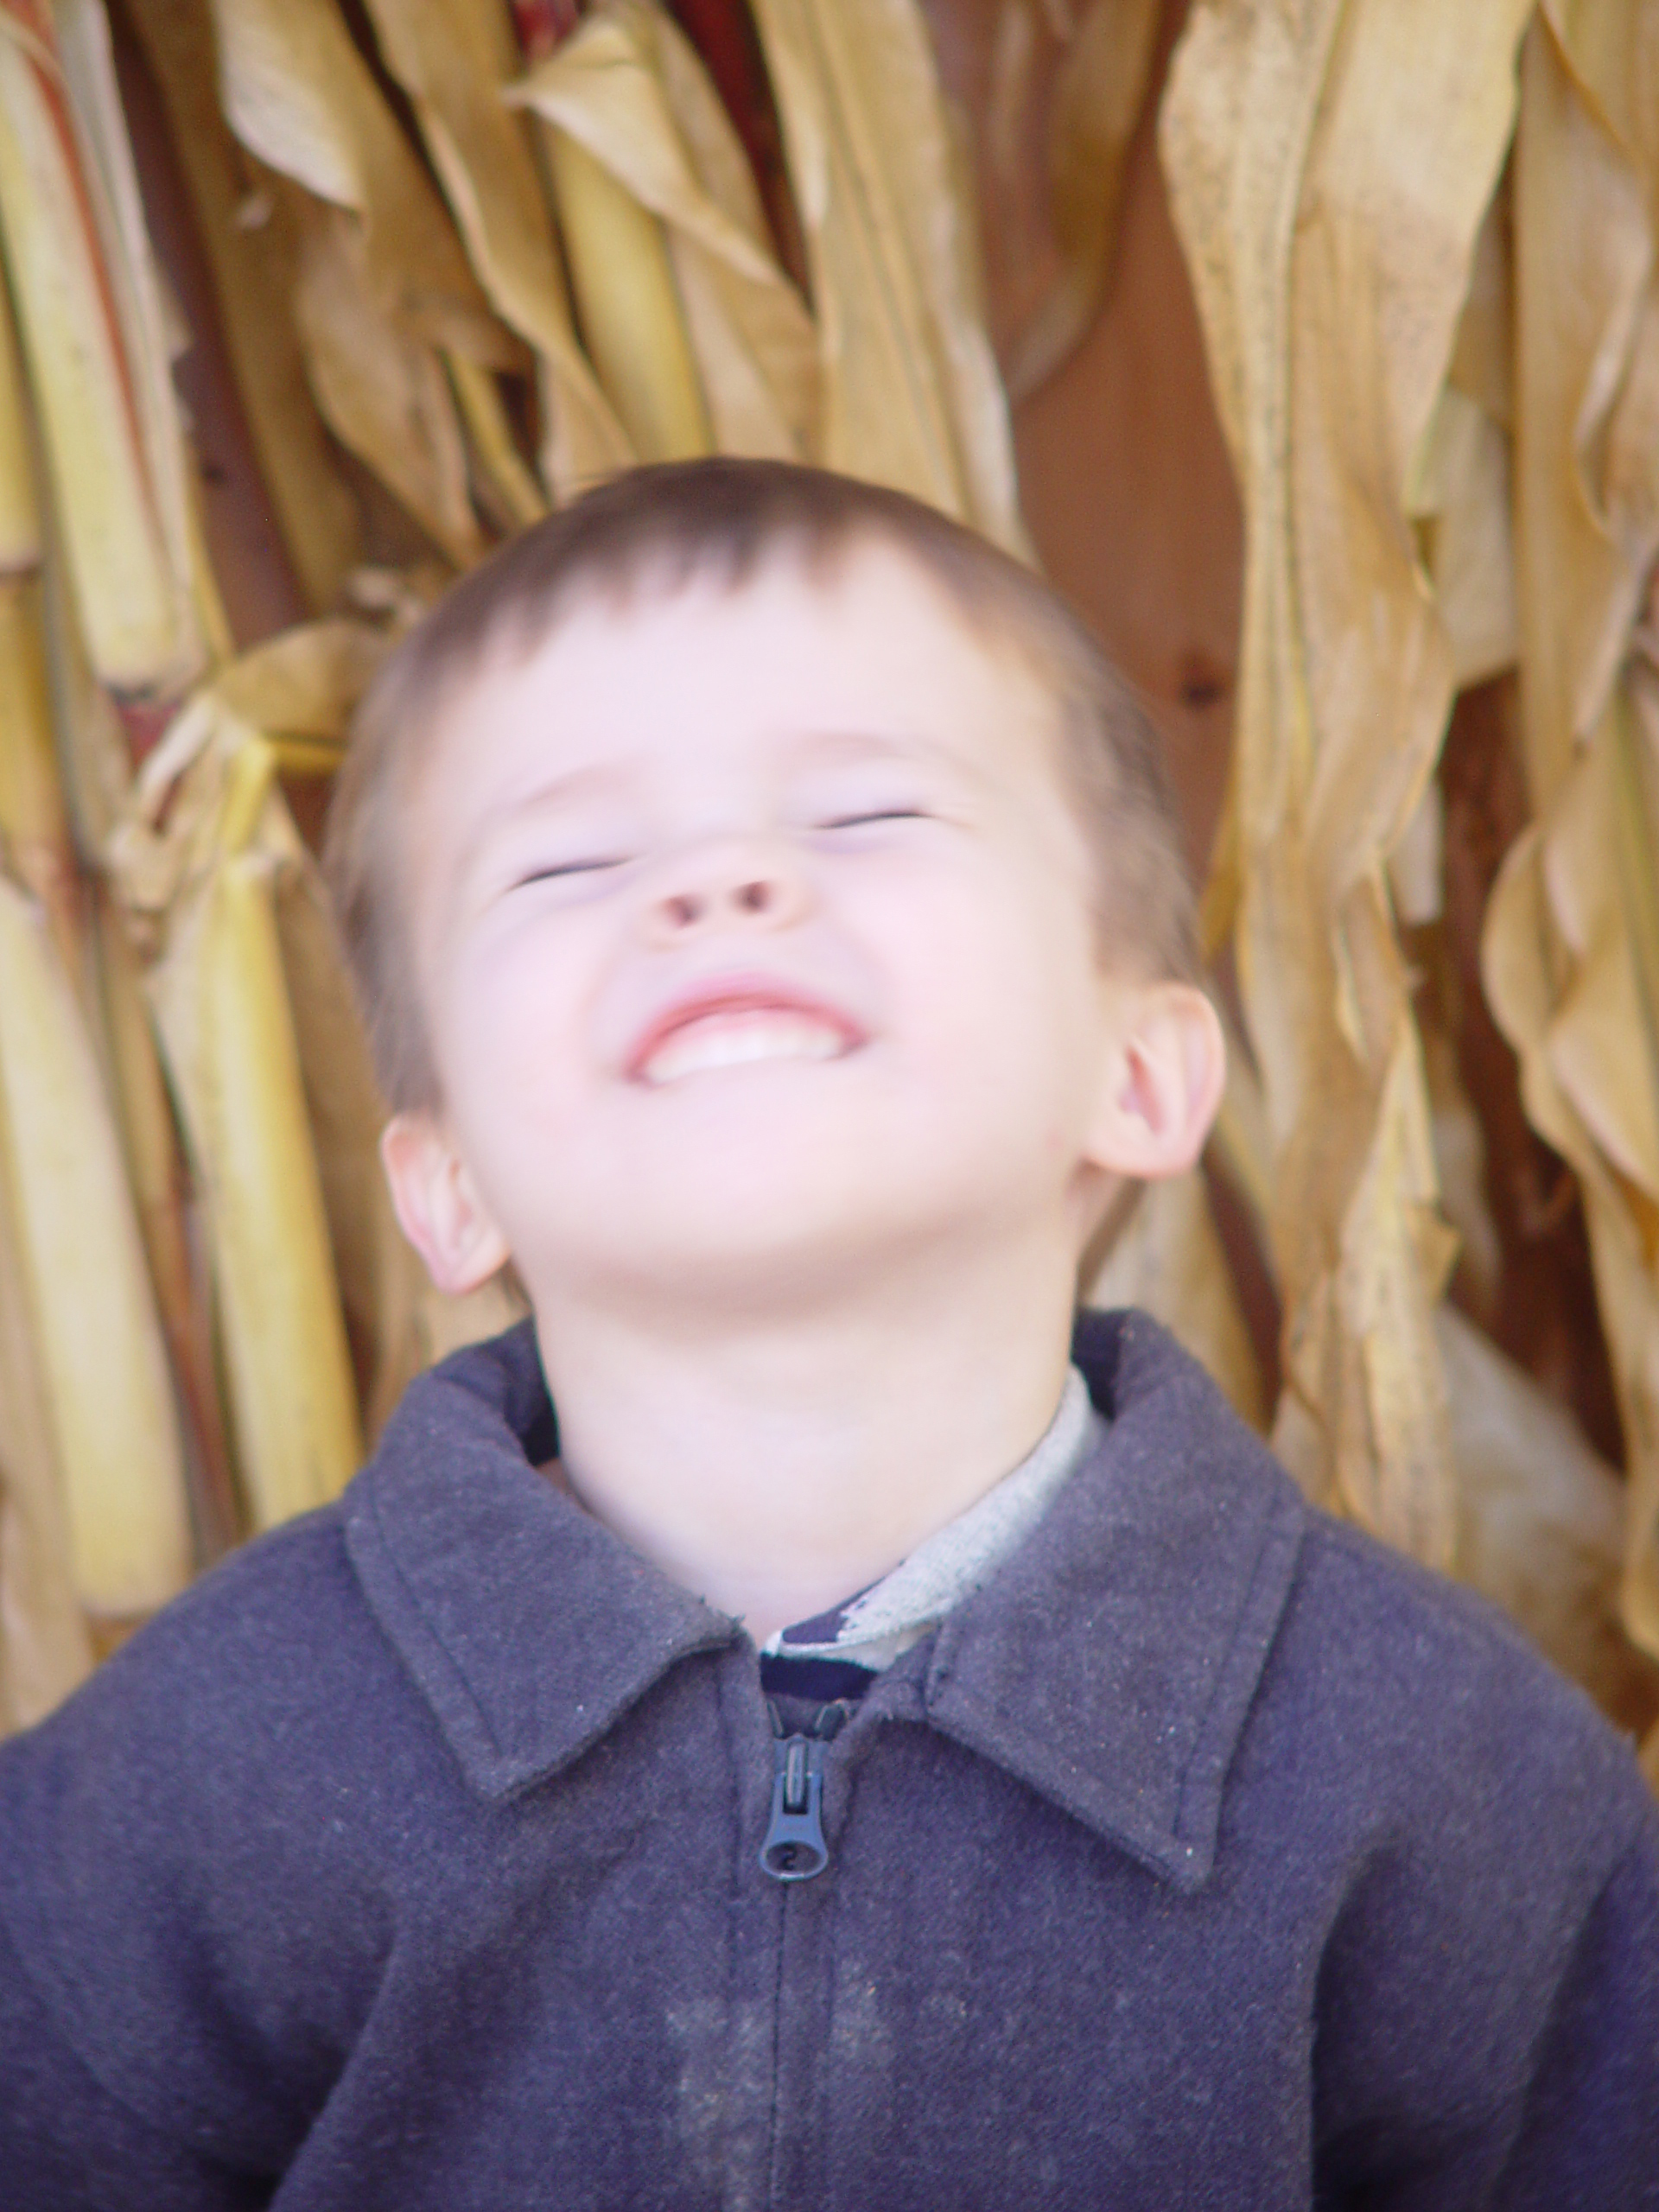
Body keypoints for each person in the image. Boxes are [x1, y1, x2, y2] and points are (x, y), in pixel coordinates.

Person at [2, 460, 1656, 2210]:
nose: (718, 879)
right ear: (449, 1182)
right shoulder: (204, 1774)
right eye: (570, 858)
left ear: (1142, 1072)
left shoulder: (1434, 1778)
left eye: (866, 815)